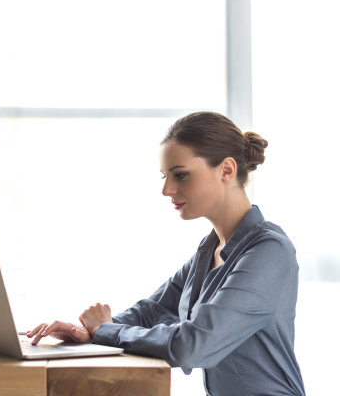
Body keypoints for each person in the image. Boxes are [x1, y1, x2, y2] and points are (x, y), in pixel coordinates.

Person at [28, 112, 305, 395]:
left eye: (180, 175)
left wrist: (105, 331)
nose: (166, 189)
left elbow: (193, 346)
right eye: (165, 176)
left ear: (226, 170)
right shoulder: (208, 250)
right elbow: (153, 310)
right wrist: (85, 332)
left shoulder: (269, 252)